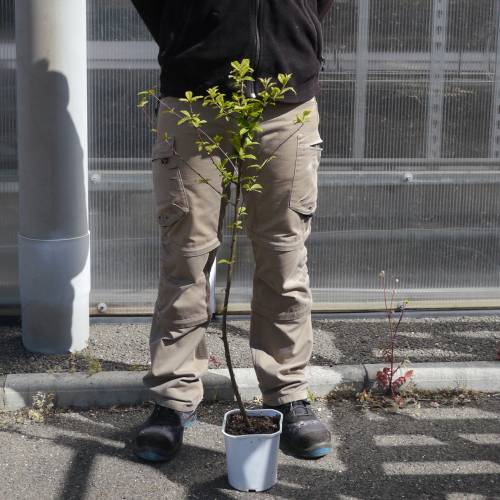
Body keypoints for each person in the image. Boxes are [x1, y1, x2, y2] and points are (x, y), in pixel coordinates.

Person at [131, 0, 334, 462]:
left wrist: (295, 35)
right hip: (193, 103)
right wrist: (187, 33)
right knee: (186, 256)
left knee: (284, 257)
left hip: (286, 106)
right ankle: (172, 400)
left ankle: (287, 394)